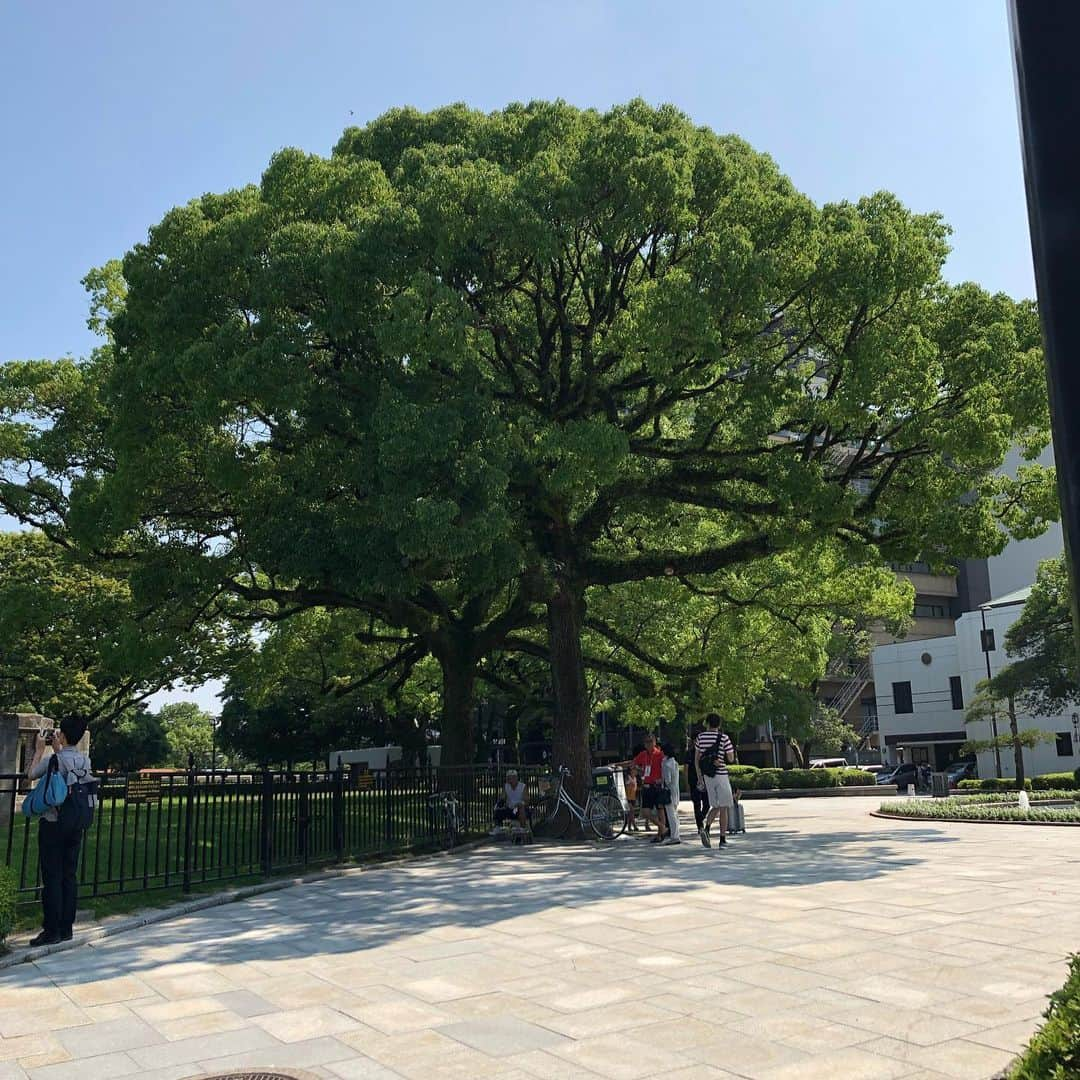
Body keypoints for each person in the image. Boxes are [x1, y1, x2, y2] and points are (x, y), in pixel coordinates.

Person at [26, 715, 92, 946]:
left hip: (53, 823)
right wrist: (58, 749)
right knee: (68, 875)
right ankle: (66, 927)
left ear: (62, 735)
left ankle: (51, 929)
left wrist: (39, 750)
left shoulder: (54, 760)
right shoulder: (85, 761)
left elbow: (31, 775)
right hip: (75, 823)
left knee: (51, 876)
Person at [694, 713, 736, 849]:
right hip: (721, 774)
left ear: (707, 723)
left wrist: (700, 777)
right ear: (719, 724)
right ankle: (722, 840)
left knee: (715, 805)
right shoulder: (724, 738)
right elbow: (730, 758)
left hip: (707, 776)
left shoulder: (700, 737)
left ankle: (706, 829)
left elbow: (697, 760)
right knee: (723, 807)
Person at [629, 734, 664, 833]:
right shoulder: (643, 755)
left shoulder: (659, 754)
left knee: (660, 810)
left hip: (657, 786)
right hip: (647, 786)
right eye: (646, 742)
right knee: (645, 812)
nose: (648, 744)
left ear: (654, 742)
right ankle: (662, 827)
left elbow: (664, 769)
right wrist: (638, 770)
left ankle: (660, 833)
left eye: (650, 741)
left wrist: (662, 779)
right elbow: (633, 763)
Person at [686, 725, 710, 833]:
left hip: (705, 781)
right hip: (693, 781)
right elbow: (686, 769)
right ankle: (700, 827)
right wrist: (686, 783)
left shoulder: (705, 752)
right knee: (696, 804)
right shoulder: (689, 753)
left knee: (707, 804)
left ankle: (701, 818)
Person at [659, 742, 681, 845]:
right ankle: (676, 834)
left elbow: (667, 780)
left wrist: (660, 781)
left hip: (668, 792)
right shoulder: (674, 762)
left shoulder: (667, 764)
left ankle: (674, 836)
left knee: (671, 814)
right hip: (675, 791)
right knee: (674, 814)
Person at [624, 764, 640, 831]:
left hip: (633, 797)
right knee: (631, 811)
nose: (636, 771)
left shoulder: (635, 778)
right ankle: (634, 826)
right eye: (634, 770)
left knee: (630, 813)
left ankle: (629, 827)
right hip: (628, 797)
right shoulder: (628, 777)